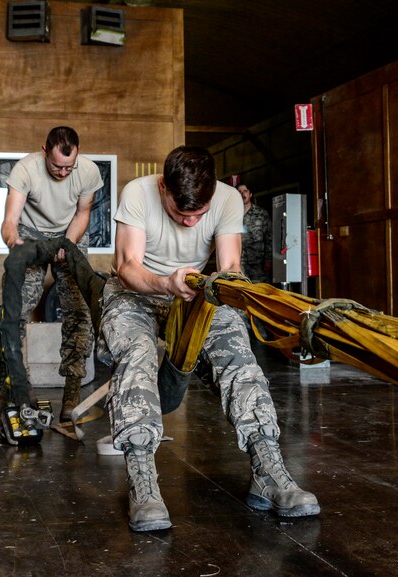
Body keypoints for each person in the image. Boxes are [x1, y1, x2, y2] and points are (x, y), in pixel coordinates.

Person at [97, 146, 319, 532]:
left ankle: (268, 469)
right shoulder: (137, 192)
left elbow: (230, 267)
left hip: (197, 292)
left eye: (198, 214)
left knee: (237, 350)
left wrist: (222, 289)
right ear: (164, 186)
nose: (189, 221)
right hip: (137, 293)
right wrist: (165, 283)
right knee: (139, 350)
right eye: (180, 212)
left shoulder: (228, 199)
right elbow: (127, 266)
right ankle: (143, 483)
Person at [0, 126, 103, 422]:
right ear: (44, 152)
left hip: (69, 235)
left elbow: (83, 213)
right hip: (31, 235)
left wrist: (69, 243)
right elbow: (10, 221)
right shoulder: (25, 170)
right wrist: (16, 244)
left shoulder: (88, 171)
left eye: (69, 166)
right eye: (57, 166)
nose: (64, 173)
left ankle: (72, 392)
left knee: (80, 312)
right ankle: (5, 381)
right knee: (14, 310)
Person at [237, 182, 273, 283]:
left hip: (258, 263)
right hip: (239, 263)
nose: (243, 194)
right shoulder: (233, 215)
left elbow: (269, 238)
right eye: (239, 192)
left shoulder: (261, 214)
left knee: (260, 291)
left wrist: (268, 260)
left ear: (250, 194)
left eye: (245, 191)